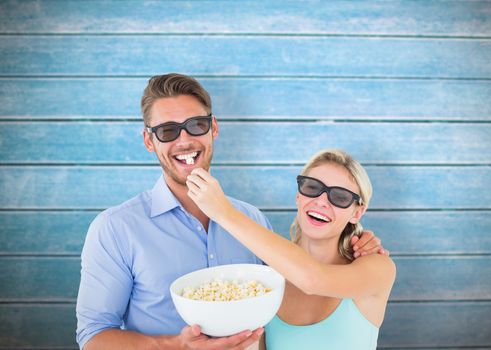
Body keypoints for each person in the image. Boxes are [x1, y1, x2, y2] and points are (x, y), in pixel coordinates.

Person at [76, 73, 387, 350]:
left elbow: (307, 281)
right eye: (168, 130)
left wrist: (357, 239)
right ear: (149, 140)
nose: (184, 140)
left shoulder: (252, 221)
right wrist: (176, 345)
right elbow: (93, 338)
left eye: (195, 125)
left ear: (213, 129)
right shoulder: (115, 228)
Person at [187, 149, 396, 349]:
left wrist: (224, 213)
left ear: (357, 213)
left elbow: (312, 280)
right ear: (299, 196)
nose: (321, 202)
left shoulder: (378, 267)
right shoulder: (266, 280)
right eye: (312, 188)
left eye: (340, 197)